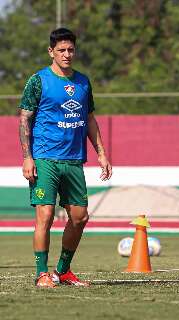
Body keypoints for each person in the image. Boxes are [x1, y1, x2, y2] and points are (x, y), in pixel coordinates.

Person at [18, 28, 112, 287]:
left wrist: (102, 154)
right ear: (51, 52)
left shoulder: (83, 82)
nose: (67, 54)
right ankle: (41, 273)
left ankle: (63, 271)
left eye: (70, 49)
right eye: (61, 50)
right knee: (45, 216)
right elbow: (25, 118)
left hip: (73, 161)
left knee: (80, 217)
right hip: (45, 158)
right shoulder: (38, 80)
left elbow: (90, 119)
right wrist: (28, 157)